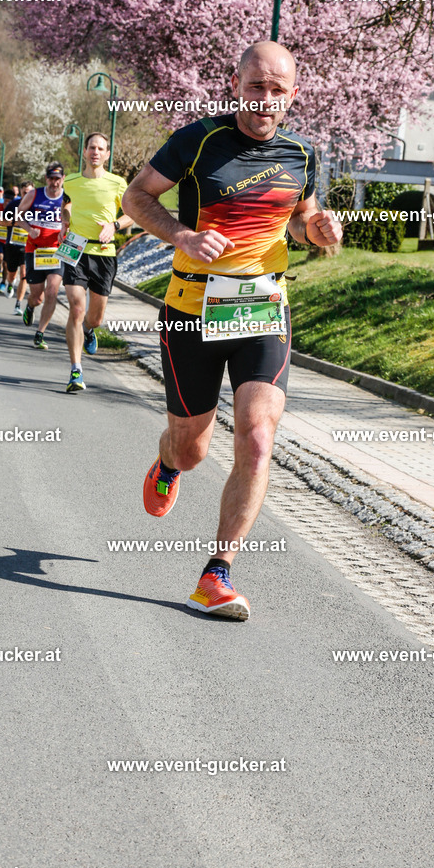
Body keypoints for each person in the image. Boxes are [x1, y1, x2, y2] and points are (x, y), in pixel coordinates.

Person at [122, 41, 343, 620]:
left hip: (262, 310)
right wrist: (182, 236)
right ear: (236, 84)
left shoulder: (302, 154)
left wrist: (315, 232)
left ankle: (217, 573)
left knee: (257, 436)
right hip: (191, 310)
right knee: (193, 448)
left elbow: (297, 223)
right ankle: (168, 463)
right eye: (255, 87)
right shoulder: (197, 141)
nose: (264, 100)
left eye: (277, 90)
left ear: (293, 94)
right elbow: (136, 195)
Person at [60, 132, 133, 393]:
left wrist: (113, 226)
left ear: (107, 155)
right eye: (91, 147)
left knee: (96, 318)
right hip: (74, 247)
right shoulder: (70, 181)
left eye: (101, 149)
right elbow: (65, 205)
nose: (95, 152)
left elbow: (132, 214)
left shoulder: (117, 183)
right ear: (85, 152)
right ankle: (75, 370)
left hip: (103, 252)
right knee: (76, 308)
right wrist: (65, 219)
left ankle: (90, 331)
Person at [16, 163, 66, 350]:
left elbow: (73, 220)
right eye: (51, 178)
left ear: (63, 179)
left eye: (58, 179)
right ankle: (30, 306)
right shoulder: (34, 195)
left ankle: (40, 333)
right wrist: (29, 229)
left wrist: (65, 231)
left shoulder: (67, 199)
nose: (54, 182)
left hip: (56, 251)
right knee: (37, 297)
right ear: (46, 178)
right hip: (35, 250)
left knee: (52, 291)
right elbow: (19, 215)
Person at [4, 182, 33, 314]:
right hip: (12, 244)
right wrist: (16, 222)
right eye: (24, 192)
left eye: (29, 192)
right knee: (11, 273)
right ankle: (10, 283)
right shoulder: (14, 205)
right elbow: (2, 221)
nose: (26, 194)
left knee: (24, 274)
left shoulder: (36, 206)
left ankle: (18, 304)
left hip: (27, 246)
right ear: (20, 192)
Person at [0, 189, 14, 292]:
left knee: (6, 264)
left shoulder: (16, 209)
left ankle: (3, 282)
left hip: (9, 239)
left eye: (9, 201)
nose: (6, 203)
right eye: (5, 200)